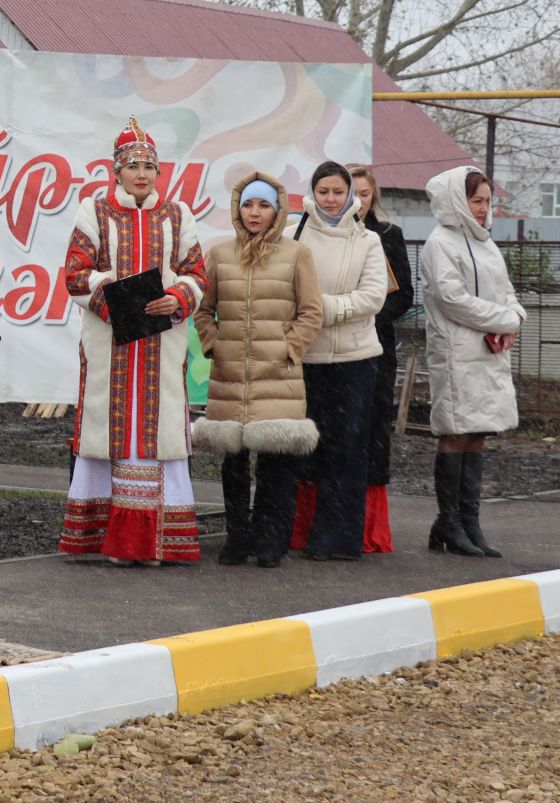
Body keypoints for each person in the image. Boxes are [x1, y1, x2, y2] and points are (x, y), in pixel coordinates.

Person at [57, 115, 209, 566]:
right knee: (112, 430)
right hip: (111, 344)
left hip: (163, 345)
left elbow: (197, 272)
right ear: (116, 170)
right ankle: (110, 542)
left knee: (157, 432)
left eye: (149, 166)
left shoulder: (179, 215)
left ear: (159, 172)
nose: (141, 174)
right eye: (132, 166)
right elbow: (75, 274)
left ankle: (156, 541)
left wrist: (179, 297)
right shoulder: (95, 211)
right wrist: (119, 299)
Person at [191, 174, 321, 568]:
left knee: (275, 465)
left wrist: (289, 349)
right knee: (234, 464)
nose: (255, 213)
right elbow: (201, 308)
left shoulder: (297, 254)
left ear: (277, 211)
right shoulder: (219, 254)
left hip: (277, 376)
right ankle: (237, 537)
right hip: (231, 377)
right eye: (248, 205)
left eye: (263, 205)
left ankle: (270, 540)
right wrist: (214, 343)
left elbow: (312, 312)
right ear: (238, 209)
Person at [292, 165, 413, 554]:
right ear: (313, 192)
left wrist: (320, 309)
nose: (330, 199)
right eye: (323, 191)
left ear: (351, 196)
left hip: (355, 358)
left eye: (338, 192)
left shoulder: (370, 241)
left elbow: (373, 298)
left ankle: (339, 540)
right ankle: (299, 535)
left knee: (347, 449)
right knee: (306, 448)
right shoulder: (293, 235)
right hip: (306, 357)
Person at [421, 167, 524, 558]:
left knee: (478, 431)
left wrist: (514, 318)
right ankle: (449, 521)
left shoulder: (486, 243)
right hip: (456, 351)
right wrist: (503, 320)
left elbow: (507, 290)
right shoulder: (439, 242)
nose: (482, 209)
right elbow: (451, 299)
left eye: (486, 201)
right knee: (455, 431)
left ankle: (468, 522)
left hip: (489, 350)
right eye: (475, 200)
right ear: (455, 200)